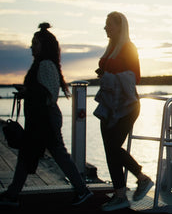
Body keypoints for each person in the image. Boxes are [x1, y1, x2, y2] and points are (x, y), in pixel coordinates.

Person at [0, 23, 93, 207]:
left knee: (47, 154)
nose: (31, 47)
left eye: (34, 43)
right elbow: (43, 92)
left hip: (45, 119)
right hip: (41, 119)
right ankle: (13, 194)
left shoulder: (45, 65)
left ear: (44, 45)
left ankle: (83, 191)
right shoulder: (43, 64)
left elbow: (48, 94)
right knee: (32, 154)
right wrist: (27, 91)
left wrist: (27, 91)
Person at [94, 12, 153, 211]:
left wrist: (110, 74)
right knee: (110, 150)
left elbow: (135, 76)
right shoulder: (111, 48)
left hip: (126, 106)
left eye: (108, 24)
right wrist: (106, 73)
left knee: (113, 148)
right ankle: (120, 195)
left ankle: (142, 177)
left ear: (120, 27)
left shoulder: (129, 47)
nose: (105, 28)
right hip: (109, 104)